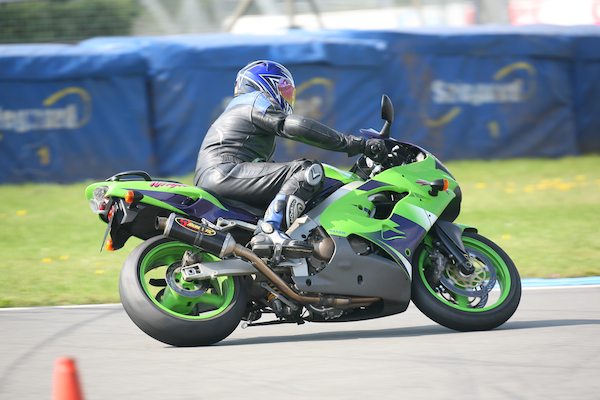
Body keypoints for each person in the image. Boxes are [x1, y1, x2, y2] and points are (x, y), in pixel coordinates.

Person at [194, 60, 385, 256]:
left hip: (220, 175)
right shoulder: (254, 99)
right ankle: (270, 232)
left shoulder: (239, 112)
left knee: (293, 189)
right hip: (225, 171)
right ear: (264, 83)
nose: (287, 97)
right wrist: (356, 144)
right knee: (305, 171)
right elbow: (293, 125)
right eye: (283, 89)